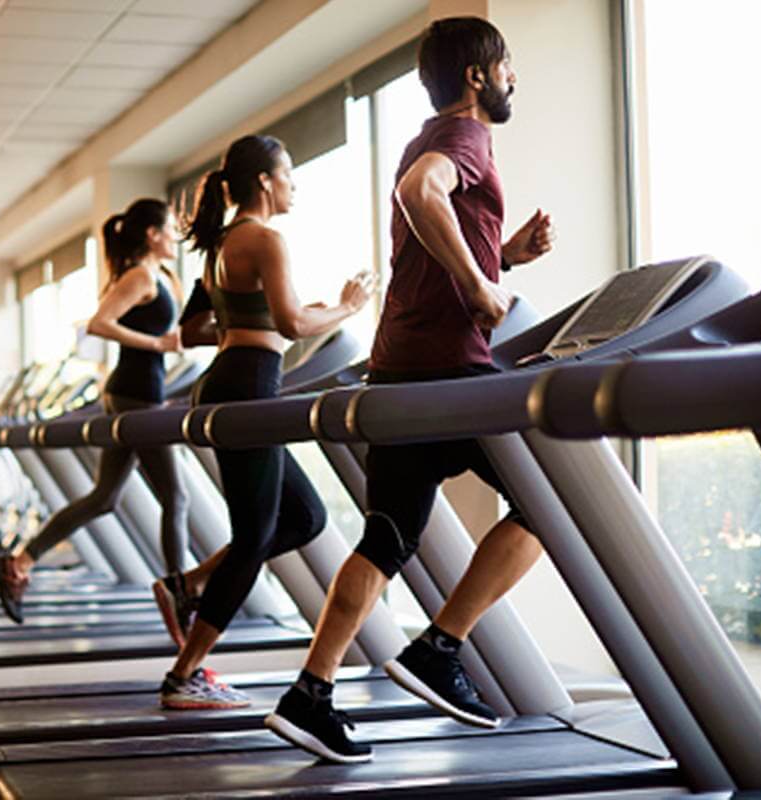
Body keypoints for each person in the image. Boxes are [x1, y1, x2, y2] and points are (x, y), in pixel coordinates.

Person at [264, 16, 556, 763]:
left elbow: (429, 228)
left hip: (400, 368)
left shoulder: (426, 135)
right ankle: (440, 646)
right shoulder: (461, 140)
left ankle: (309, 694)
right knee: (555, 505)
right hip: (448, 372)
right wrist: (485, 291)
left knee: (387, 537)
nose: (512, 78)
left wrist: (504, 258)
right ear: (476, 77)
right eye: (506, 65)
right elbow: (419, 195)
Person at [158, 134, 374, 710]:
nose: (294, 184)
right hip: (250, 382)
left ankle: (190, 584)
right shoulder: (265, 240)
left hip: (232, 378)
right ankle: (184, 675)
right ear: (264, 181)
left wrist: (241, 332)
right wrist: (349, 307)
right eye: (289, 173)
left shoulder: (220, 245)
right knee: (255, 536)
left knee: (304, 517)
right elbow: (294, 321)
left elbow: (195, 330)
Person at [0, 199, 223, 642]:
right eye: (171, 228)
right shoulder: (138, 276)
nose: (176, 234)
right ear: (152, 234)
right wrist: (154, 346)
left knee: (104, 498)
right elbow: (99, 324)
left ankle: (19, 562)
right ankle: (177, 589)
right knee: (176, 498)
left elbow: (173, 333)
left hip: (143, 393)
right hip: (134, 394)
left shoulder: (165, 277)